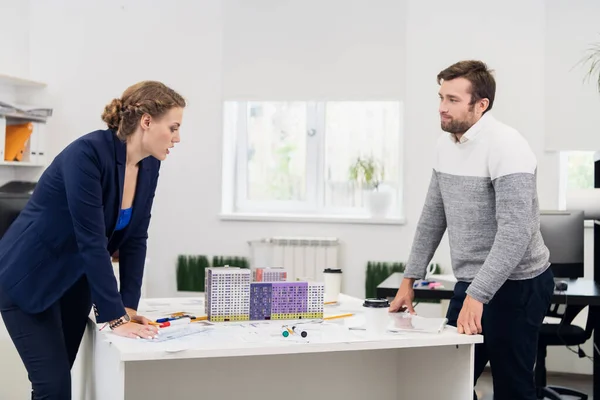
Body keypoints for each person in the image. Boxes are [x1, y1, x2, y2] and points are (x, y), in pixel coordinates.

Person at [0, 80, 186, 399]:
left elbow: (135, 238)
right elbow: (90, 239)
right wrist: (114, 317)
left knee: (62, 379)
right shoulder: (86, 155)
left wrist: (126, 306)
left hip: (74, 281)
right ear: (146, 122)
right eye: (173, 127)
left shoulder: (150, 166)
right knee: (53, 386)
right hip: (27, 278)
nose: (177, 138)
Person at [389, 60, 555, 400]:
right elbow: (433, 216)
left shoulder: (507, 146)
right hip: (473, 283)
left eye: (452, 99)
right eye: (440, 98)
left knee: (513, 390)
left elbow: (516, 233)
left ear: (481, 105)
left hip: (519, 285)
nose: (442, 108)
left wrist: (477, 295)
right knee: (451, 381)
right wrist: (409, 281)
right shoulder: (445, 145)